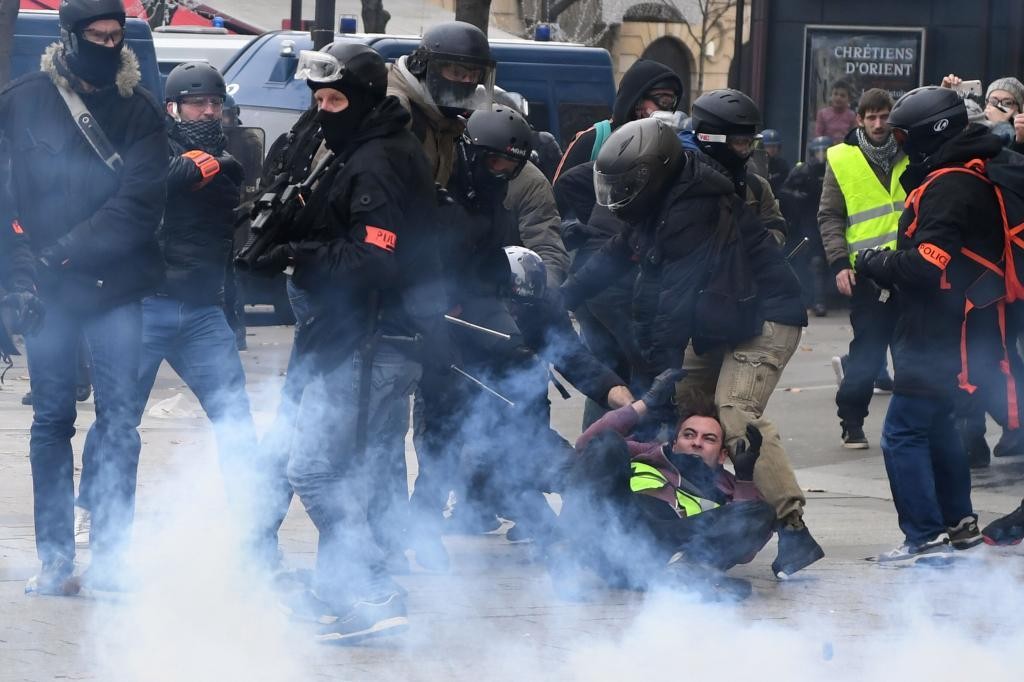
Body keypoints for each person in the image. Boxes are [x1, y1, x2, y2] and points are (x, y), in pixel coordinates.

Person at [249, 42, 450, 642]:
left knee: (311, 468)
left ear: (362, 100)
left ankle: (371, 588)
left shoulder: (376, 161)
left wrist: (297, 254)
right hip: (369, 336)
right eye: (318, 98)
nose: (325, 108)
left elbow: (374, 254)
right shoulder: (368, 147)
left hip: (372, 339)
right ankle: (342, 590)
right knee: (352, 470)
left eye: (336, 98)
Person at [0, 0, 167, 594]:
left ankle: (113, 559)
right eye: (95, 35)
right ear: (69, 38)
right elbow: (5, 203)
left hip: (115, 287)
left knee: (120, 420)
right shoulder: (21, 101)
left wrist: (64, 250)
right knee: (50, 419)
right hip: (47, 294)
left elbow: (140, 204)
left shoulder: (140, 109)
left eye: (115, 36)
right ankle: (54, 560)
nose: (107, 44)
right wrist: (18, 277)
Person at [76, 61, 272, 564]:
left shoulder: (227, 158)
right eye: (197, 104)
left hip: (203, 314)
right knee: (117, 422)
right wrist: (195, 166)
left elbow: (226, 202)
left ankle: (255, 533)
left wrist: (209, 165)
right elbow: (135, 190)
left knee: (236, 423)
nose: (208, 112)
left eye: (215, 104)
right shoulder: (150, 147)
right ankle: (97, 518)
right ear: (172, 108)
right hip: (143, 307)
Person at [680, 89, 823, 579]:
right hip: (714, 317)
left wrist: (751, 252)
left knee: (737, 414)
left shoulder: (755, 186)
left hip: (764, 312)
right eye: (738, 142)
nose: (746, 151)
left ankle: (792, 528)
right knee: (675, 397)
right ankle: (689, 509)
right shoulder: (678, 178)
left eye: (750, 142)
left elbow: (777, 229)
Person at [854, 85, 998, 563]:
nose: (897, 143)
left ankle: (924, 534)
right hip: (951, 327)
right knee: (938, 428)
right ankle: (960, 527)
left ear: (927, 134)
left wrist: (876, 262)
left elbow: (927, 264)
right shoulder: (962, 176)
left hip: (938, 331)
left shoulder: (948, 186)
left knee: (902, 433)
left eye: (902, 135)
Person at [550, 371, 775, 601]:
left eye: (709, 439)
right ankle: (570, 542)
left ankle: (684, 573)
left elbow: (746, 552)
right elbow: (587, 444)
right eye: (689, 435)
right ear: (675, 443)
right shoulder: (649, 453)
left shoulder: (727, 488)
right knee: (607, 441)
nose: (697, 443)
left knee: (763, 512)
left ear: (721, 455)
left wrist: (745, 479)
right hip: (619, 531)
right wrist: (644, 404)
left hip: (669, 551)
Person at [818, 88, 906, 449]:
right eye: (871, 117)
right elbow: (830, 215)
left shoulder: (909, 151)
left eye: (884, 116)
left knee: (911, 356)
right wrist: (839, 263)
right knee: (869, 355)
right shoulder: (841, 158)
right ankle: (851, 422)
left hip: (909, 269)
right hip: (867, 274)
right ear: (860, 120)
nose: (878, 124)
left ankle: (911, 429)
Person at [386, 20, 495, 186]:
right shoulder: (396, 109)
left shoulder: (441, 121)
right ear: (424, 67)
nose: (466, 82)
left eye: (474, 76)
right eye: (457, 73)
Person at [554, 58, 682, 180]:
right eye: (663, 100)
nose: (668, 109)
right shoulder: (592, 141)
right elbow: (563, 191)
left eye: (672, 102)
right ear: (636, 101)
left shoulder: (672, 149)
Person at [779, 135, 832, 316]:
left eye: (825, 151)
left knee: (822, 262)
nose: (822, 155)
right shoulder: (803, 170)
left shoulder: (836, 169)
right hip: (807, 222)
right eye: (818, 151)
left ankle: (821, 301)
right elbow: (784, 191)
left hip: (829, 220)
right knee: (808, 262)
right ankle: (812, 301)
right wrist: (796, 197)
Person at [760, 128, 791, 194]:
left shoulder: (782, 165)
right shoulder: (755, 164)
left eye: (774, 146)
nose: (772, 149)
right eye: (768, 146)